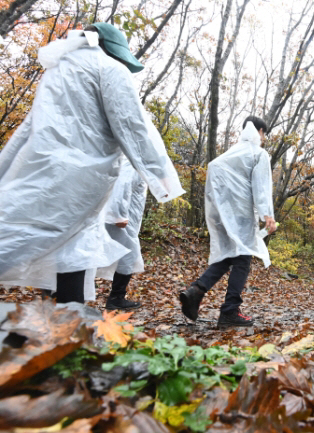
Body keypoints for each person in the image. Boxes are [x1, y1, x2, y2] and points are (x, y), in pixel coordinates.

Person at [0, 23, 184, 303]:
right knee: (59, 242)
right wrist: (161, 178)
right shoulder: (110, 69)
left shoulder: (58, 70)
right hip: (81, 177)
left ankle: (67, 325)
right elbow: (132, 127)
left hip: (42, 167)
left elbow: (28, 127)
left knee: (63, 244)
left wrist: (7, 167)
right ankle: (67, 323)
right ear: (112, 50)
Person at [179, 116, 276, 328]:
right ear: (259, 131)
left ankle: (196, 291)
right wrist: (267, 215)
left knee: (229, 256)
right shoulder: (258, 154)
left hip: (222, 213)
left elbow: (214, 170)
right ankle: (230, 311)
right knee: (242, 260)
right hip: (241, 215)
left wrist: (219, 211)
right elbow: (261, 186)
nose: (264, 138)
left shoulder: (229, 155)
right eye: (264, 133)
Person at [97, 159, 147, 310]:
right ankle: (116, 298)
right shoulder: (133, 163)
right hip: (122, 221)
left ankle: (55, 289)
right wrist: (118, 215)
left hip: (125, 219)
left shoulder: (134, 162)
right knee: (128, 256)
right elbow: (122, 186)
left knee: (113, 255)